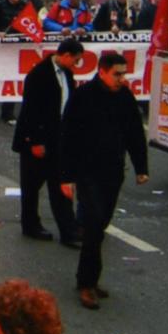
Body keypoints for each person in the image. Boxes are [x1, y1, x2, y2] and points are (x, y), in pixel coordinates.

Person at [60, 52, 148, 310]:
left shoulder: (124, 97)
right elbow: (67, 137)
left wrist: (141, 167)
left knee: (101, 225)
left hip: (113, 172)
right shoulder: (84, 97)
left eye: (124, 73)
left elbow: (134, 132)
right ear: (102, 71)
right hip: (88, 172)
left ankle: (87, 278)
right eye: (117, 74)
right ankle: (87, 284)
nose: (122, 79)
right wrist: (66, 177)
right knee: (94, 224)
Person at [13, 38, 83, 246]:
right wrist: (35, 141)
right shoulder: (39, 75)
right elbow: (31, 111)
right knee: (32, 186)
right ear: (66, 55)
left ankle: (68, 231)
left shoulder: (68, 75)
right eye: (76, 60)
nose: (76, 65)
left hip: (58, 139)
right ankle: (30, 225)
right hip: (38, 140)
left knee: (60, 185)